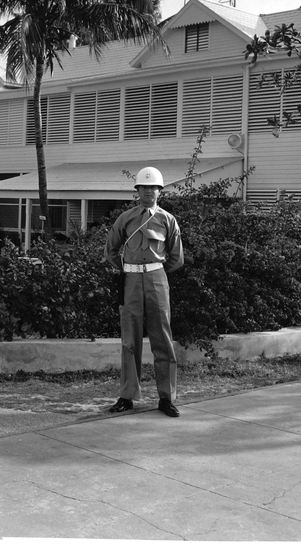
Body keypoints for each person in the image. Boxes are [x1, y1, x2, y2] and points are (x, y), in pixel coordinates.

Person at [104, 166, 185, 417]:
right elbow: (110, 250)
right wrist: (127, 269)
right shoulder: (125, 218)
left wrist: (154, 271)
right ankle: (127, 396)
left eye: (153, 187)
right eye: (144, 187)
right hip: (130, 280)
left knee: (162, 337)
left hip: (156, 279)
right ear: (137, 191)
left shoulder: (167, 220)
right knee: (130, 339)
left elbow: (176, 257)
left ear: (160, 191)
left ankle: (167, 398)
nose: (149, 191)